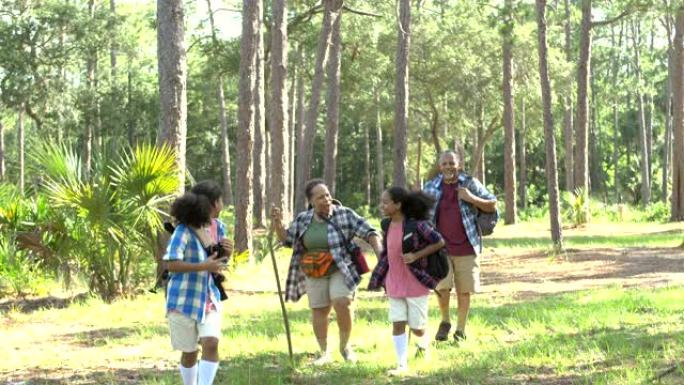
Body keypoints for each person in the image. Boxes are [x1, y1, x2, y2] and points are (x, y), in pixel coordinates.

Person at [270, 179, 383, 365]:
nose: (326, 199)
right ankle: (324, 352)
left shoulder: (344, 214)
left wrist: (380, 255)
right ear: (311, 201)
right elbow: (287, 240)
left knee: (342, 301)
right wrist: (278, 224)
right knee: (319, 309)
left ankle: (345, 347)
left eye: (328, 195)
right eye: (320, 197)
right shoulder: (303, 219)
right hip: (314, 270)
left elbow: (370, 231)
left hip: (340, 267)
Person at [368, 187, 446, 376]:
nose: (382, 205)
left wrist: (416, 255)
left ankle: (422, 345)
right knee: (397, 323)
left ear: (398, 205)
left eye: (386, 202)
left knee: (417, 328)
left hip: (415, 283)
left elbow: (439, 241)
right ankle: (402, 364)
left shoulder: (417, 225)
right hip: (394, 281)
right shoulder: (386, 224)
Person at [423, 148, 498, 342]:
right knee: (442, 287)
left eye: (452, 163)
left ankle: (460, 330)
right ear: (440, 167)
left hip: (467, 246)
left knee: (464, 290)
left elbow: (492, 204)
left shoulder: (470, 183)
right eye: (445, 164)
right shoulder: (431, 187)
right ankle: (445, 321)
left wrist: (471, 198)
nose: (449, 167)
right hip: (440, 248)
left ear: (459, 165)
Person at [163, 191, 233, 385]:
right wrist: (203, 266)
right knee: (190, 352)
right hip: (183, 300)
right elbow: (171, 264)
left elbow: (219, 263)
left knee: (211, 343)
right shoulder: (182, 232)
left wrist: (227, 252)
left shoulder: (212, 230)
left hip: (209, 297)